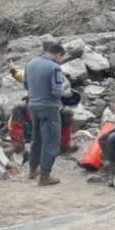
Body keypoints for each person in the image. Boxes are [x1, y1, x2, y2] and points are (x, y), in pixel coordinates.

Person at [23, 42, 72, 186]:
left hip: (33, 105)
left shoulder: (30, 63)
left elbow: (26, 85)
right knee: (50, 141)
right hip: (49, 107)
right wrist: (66, 94)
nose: (60, 61)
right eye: (61, 58)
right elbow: (56, 91)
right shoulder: (55, 68)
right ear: (58, 55)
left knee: (36, 138)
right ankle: (44, 176)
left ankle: (33, 169)